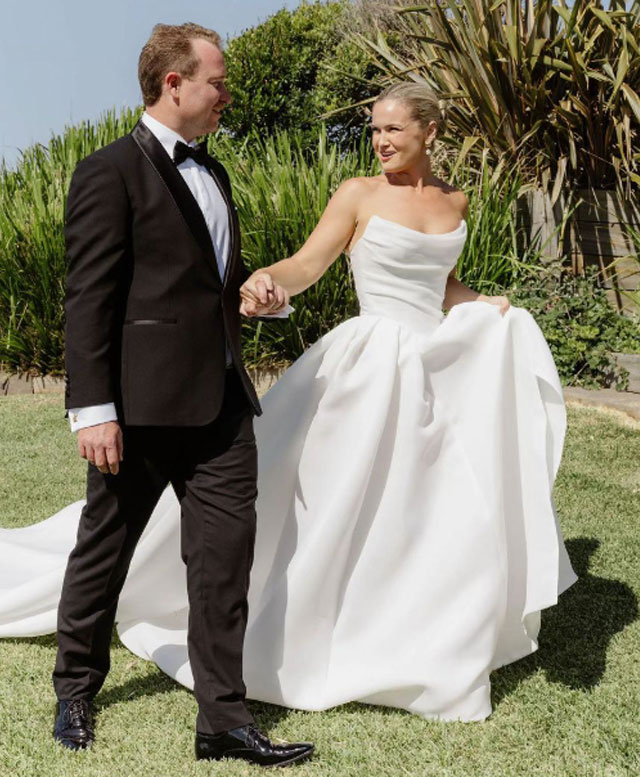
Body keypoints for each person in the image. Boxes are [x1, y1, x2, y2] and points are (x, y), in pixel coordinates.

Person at [0, 80, 576, 731]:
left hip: (431, 371)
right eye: (375, 129)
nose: (382, 140)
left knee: (424, 510)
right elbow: (309, 262)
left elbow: (439, 283)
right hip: (367, 369)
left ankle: (412, 628)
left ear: (430, 133)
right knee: (318, 503)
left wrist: (482, 305)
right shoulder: (358, 194)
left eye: (394, 130)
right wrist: (268, 281)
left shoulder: (455, 201)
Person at [11, 22, 312, 768]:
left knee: (222, 564)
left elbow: (205, 284)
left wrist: (256, 297)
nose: (225, 95)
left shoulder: (217, 173)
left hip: (221, 407)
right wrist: (94, 409)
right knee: (103, 552)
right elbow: (88, 299)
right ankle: (75, 689)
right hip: (135, 412)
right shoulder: (107, 171)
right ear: (173, 83)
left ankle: (223, 721)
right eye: (217, 80)